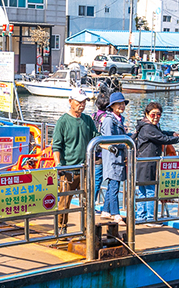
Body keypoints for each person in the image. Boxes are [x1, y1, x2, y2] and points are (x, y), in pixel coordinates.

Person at [51, 88, 98, 230]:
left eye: (84, 102)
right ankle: (61, 227)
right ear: (70, 101)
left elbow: (96, 137)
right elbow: (56, 146)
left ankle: (87, 229)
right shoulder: (63, 121)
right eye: (79, 102)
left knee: (87, 202)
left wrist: (111, 145)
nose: (82, 105)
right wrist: (59, 165)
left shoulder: (88, 120)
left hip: (84, 168)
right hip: (68, 170)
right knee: (65, 201)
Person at [132, 102, 179, 222]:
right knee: (150, 190)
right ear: (147, 114)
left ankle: (142, 216)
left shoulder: (147, 126)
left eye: (159, 115)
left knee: (142, 191)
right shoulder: (148, 128)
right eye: (153, 115)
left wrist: (172, 133)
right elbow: (162, 139)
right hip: (148, 163)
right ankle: (150, 218)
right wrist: (178, 138)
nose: (156, 117)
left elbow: (161, 133)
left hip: (143, 162)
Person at [100, 91, 129, 224]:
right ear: (112, 106)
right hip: (112, 156)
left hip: (119, 156)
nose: (121, 106)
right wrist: (125, 143)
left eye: (123, 103)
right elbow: (108, 139)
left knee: (114, 183)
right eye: (119, 104)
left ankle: (106, 210)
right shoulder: (108, 120)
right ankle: (116, 214)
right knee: (114, 185)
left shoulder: (120, 120)